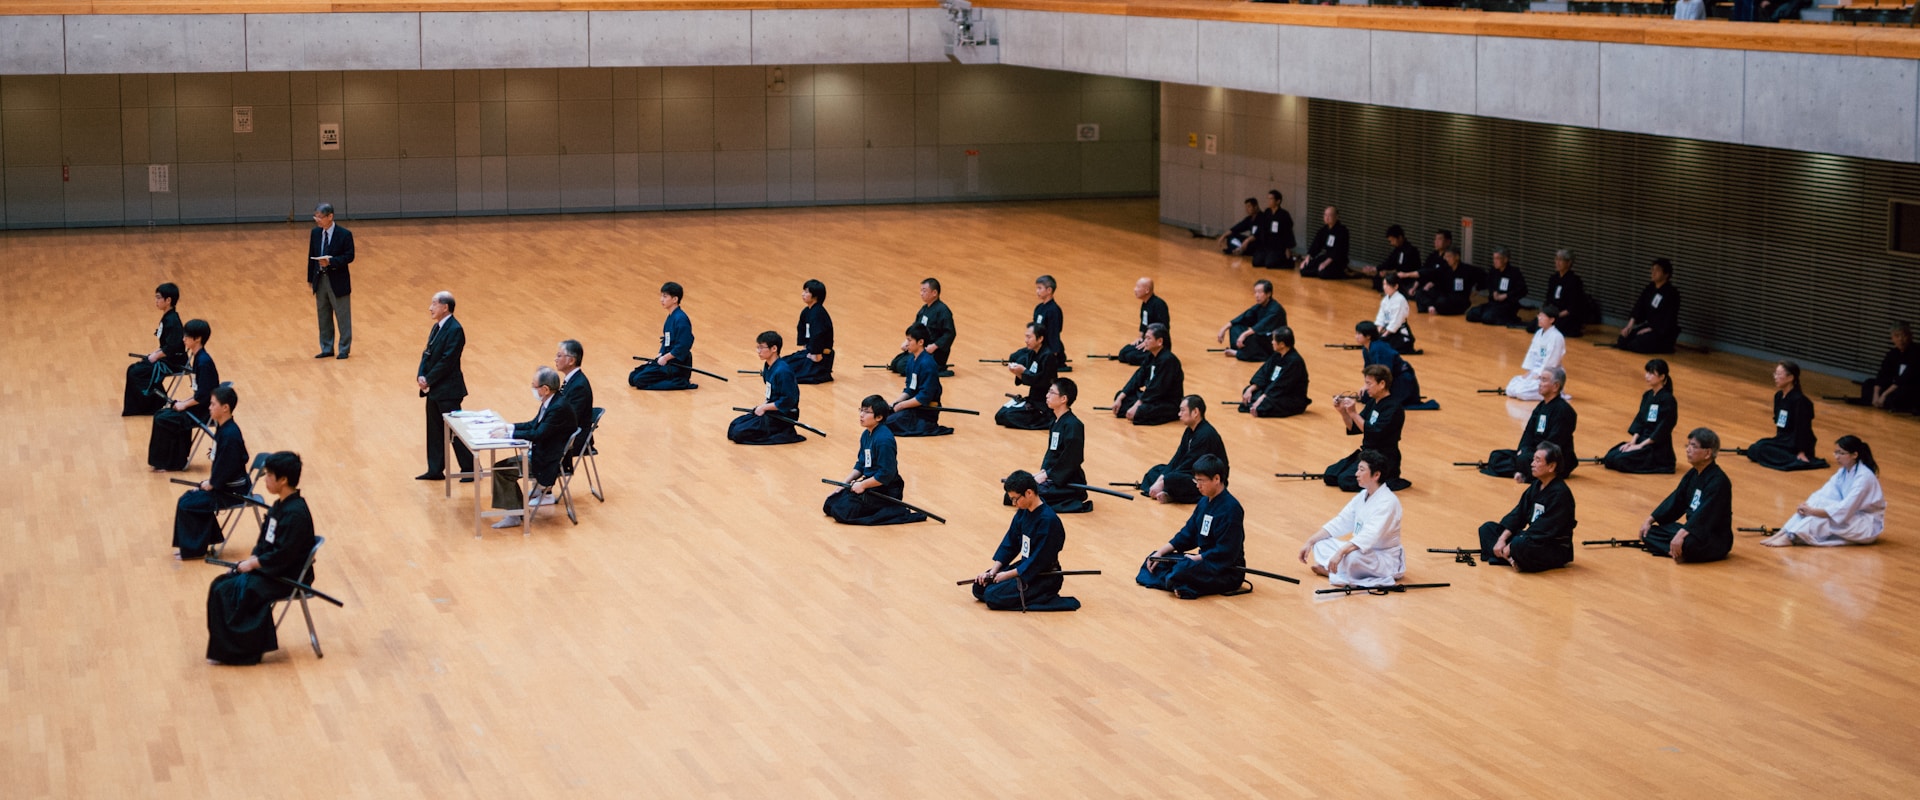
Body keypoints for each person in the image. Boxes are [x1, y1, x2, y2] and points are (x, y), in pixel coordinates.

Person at [205, 451, 317, 666]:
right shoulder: (279, 507)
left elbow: (283, 556)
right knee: (220, 585)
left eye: (269, 476)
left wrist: (254, 564)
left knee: (243, 590)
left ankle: (245, 651)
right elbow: (265, 543)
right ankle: (227, 648)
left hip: (288, 575)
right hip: (271, 569)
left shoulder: (296, 513)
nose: (265, 480)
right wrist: (249, 561)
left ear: (283, 480)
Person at [1135, 454, 1248, 598]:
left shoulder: (1231, 509)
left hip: (1224, 569)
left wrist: (1199, 558)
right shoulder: (1203, 503)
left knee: (1183, 568)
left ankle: (1179, 582)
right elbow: (1188, 533)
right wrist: (1161, 552)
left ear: (1217, 479)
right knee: (1154, 560)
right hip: (1202, 562)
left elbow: (1226, 551)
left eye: (1201, 481)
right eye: (1196, 480)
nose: (1197, 485)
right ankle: (1179, 584)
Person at [971, 471, 1080, 612]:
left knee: (992, 596)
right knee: (979, 587)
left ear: (1029, 493)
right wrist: (992, 572)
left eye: (1016, 499)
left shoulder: (1048, 521)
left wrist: (1006, 575)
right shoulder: (1023, 511)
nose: (1014, 503)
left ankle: (1044, 596)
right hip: (1024, 567)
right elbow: (1010, 543)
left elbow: (1037, 561)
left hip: (1042, 576)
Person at [1299, 450, 1404, 588]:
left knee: (1352, 557)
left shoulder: (1388, 502)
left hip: (1382, 559)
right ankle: (1339, 570)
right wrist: (1310, 541)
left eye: (1361, 470)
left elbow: (1369, 535)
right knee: (1320, 543)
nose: (1356, 474)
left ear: (1376, 475)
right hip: (1360, 551)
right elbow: (1341, 521)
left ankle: (1335, 571)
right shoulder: (1362, 495)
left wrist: (1341, 552)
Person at [491, 367, 580, 528]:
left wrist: (509, 436)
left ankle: (514, 515)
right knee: (502, 467)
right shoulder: (552, 401)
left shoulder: (558, 408)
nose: (532, 389)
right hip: (544, 452)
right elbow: (534, 424)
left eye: (534, 386)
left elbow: (538, 433)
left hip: (548, 461)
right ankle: (516, 512)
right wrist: (509, 427)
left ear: (545, 389)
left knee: (501, 470)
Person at [171, 384, 250, 559]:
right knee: (188, 498)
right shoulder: (224, 428)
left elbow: (228, 467)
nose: (209, 407)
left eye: (213, 404)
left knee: (188, 503)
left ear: (225, 408)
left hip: (232, 490)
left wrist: (212, 484)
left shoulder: (230, 435)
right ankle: (194, 545)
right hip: (223, 485)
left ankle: (194, 549)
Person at [1761, 436, 1885, 547]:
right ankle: (1784, 531)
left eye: (1841, 453)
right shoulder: (1843, 472)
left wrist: (1813, 511)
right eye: (1836, 452)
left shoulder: (1864, 477)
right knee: (1818, 504)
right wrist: (1807, 506)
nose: (1837, 457)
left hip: (1865, 524)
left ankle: (1791, 537)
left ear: (1854, 455)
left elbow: (1845, 509)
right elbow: (1824, 493)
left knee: (1821, 519)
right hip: (1851, 516)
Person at [823, 396, 928, 525]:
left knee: (842, 512)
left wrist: (862, 485)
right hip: (869, 485)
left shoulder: (884, 440)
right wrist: (843, 484)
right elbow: (861, 464)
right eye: (861, 410)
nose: (861, 415)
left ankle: (892, 510)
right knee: (830, 504)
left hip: (885, 489)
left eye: (866, 412)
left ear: (879, 417)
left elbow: (885, 474)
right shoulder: (866, 434)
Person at [1477, 442, 1576, 572]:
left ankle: (1513, 556)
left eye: (1537, 460)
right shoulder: (1536, 486)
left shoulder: (1561, 495)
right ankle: (1512, 559)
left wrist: (1512, 545)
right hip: (1531, 538)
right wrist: (1502, 539)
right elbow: (1519, 514)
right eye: (1533, 459)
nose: (1532, 463)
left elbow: (1543, 529)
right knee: (1487, 529)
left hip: (1552, 546)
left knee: (1520, 544)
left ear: (1551, 466)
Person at [1640, 428, 1733, 563]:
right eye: (1688, 445)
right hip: (1693, 530)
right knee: (1649, 532)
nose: (1688, 449)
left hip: (1713, 538)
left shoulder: (1719, 482)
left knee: (1688, 544)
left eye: (1693, 446)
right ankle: (1676, 551)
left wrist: (1683, 533)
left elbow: (1705, 515)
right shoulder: (1692, 474)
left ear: (1707, 453)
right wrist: (1650, 519)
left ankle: (1677, 550)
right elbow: (1677, 500)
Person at [1482, 367, 1577, 481]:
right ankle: (1523, 472)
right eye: (1540, 379)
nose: (1540, 384)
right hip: (1532, 453)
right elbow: (1528, 432)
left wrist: (1533, 455)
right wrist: (1523, 448)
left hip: (1552, 459)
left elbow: (1554, 443)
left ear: (1556, 386)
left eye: (1544, 380)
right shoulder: (1541, 406)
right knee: (1497, 456)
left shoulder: (1564, 411)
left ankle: (1524, 471)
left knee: (1525, 459)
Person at [148, 319, 219, 472]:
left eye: (187, 336)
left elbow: (204, 395)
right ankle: (167, 460)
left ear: (198, 338)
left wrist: (184, 404)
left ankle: (171, 462)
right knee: (163, 413)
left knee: (164, 418)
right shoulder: (199, 357)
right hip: (202, 405)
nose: (183, 339)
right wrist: (182, 402)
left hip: (206, 411)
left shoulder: (204, 362)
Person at [1326, 365, 1411, 492]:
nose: (1365, 388)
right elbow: (1356, 427)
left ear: (1382, 384)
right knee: (1330, 475)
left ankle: (1385, 478)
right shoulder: (1373, 402)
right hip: (1367, 453)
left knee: (1346, 481)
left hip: (1384, 457)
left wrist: (1354, 413)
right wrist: (1344, 412)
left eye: (1369, 384)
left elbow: (1374, 432)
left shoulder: (1393, 408)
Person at [417, 291, 473, 481]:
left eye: (434, 304)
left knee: (456, 431)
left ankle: (471, 468)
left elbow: (447, 360)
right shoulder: (437, 327)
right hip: (435, 388)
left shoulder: (455, 329)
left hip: (448, 390)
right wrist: (421, 375)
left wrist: (429, 379)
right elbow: (428, 352)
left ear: (445, 307)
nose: (430, 308)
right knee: (434, 431)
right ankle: (435, 469)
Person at [1138, 396, 1228, 504]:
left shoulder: (1206, 435)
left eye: (1182, 410)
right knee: (1157, 470)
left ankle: (1169, 493)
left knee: (1173, 479)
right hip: (1190, 471)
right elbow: (1178, 457)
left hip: (1207, 478)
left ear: (1195, 412)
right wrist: (1161, 478)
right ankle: (1168, 493)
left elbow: (1190, 464)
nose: (1179, 414)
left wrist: (1164, 481)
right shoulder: (1189, 430)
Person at [1744, 361, 1828, 472]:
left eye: (1779, 375)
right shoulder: (1779, 396)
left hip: (1796, 443)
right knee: (1756, 447)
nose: (1775, 377)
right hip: (1783, 440)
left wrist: (1801, 451)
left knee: (1760, 449)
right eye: (1775, 374)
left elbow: (1803, 429)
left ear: (1790, 378)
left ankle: (1797, 459)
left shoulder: (1800, 401)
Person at [1602, 359, 1679, 474]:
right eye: (1647, 372)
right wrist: (1633, 443)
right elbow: (1640, 420)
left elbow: (1663, 428)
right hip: (1641, 440)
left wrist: (1641, 446)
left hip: (1656, 446)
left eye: (1651, 373)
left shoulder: (1668, 400)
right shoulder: (1647, 395)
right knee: (1610, 457)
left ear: (1662, 377)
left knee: (1620, 460)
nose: (1647, 376)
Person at [728, 331, 805, 445]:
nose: (758, 351)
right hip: (771, 410)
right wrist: (762, 406)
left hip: (782, 415)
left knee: (739, 433)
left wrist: (765, 408)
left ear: (774, 348)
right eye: (757, 347)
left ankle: (784, 432)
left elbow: (788, 400)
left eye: (761, 348)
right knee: (734, 426)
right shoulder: (768, 366)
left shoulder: (783, 372)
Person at [124, 282, 189, 416]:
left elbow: (172, 347)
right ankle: (145, 405)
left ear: (168, 300)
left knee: (136, 373)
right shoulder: (167, 318)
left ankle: (153, 404)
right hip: (166, 358)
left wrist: (156, 356)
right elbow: (166, 345)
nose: (156, 301)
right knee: (133, 369)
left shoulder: (173, 321)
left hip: (173, 362)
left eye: (159, 298)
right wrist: (155, 353)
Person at [1030, 379, 1090, 513]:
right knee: (1020, 491)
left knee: (1029, 496)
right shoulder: (1055, 422)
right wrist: (1042, 472)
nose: (1047, 395)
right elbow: (1052, 454)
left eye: (1051, 392)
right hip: (1053, 477)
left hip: (1068, 481)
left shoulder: (1074, 425)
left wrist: (1048, 475)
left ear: (1063, 399)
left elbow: (1072, 458)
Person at [306, 202, 354, 359]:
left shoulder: (344, 234)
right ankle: (327, 347)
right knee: (323, 315)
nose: (317, 220)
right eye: (316, 217)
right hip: (321, 279)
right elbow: (311, 256)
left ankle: (343, 349)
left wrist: (331, 261)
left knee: (342, 316)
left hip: (337, 280)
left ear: (330, 216)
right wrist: (310, 278)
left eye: (320, 217)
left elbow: (349, 256)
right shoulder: (315, 233)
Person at [629, 282, 697, 390]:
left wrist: (665, 357)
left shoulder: (681, 319)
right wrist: (659, 355)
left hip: (676, 364)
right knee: (632, 377)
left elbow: (684, 345)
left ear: (675, 299)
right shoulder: (671, 317)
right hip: (666, 360)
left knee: (639, 380)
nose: (661, 300)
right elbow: (667, 340)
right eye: (661, 296)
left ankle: (680, 381)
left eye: (665, 296)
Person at [889, 324, 954, 437]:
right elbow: (910, 389)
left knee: (890, 422)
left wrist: (902, 406)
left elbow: (924, 397)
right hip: (913, 406)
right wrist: (896, 402)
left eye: (909, 340)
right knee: (885, 415)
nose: (907, 343)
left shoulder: (927, 364)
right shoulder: (911, 361)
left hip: (925, 411)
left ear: (920, 342)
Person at [1113, 323, 1184, 425]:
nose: (1145, 341)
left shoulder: (1168, 361)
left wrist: (1137, 405)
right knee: (1121, 398)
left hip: (1166, 402)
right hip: (1152, 398)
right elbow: (1137, 378)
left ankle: (1137, 412)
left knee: (1141, 411)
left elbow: (1157, 389)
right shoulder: (1151, 357)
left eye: (1148, 338)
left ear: (1159, 341)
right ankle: (1135, 411)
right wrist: (1120, 397)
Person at [994, 323, 1060, 430]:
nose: (1026, 340)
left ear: (1040, 339)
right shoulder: (1032, 352)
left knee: (1008, 416)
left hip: (1043, 405)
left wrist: (1023, 372)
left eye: (1029, 337)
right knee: (1000, 415)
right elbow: (1015, 357)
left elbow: (1042, 382)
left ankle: (1045, 420)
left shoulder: (1048, 356)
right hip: (1032, 400)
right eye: (1026, 336)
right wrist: (1018, 372)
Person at [1355, 321, 1433, 411]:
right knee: (1365, 397)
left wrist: (1374, 387)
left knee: (1383, 402)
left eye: (1359, 334)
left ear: (1368, 336)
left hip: (1401, 379)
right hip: (1388, 377)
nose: (1356, 336)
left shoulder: (1379, 348)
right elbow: (1368, 369)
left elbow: (1385, 372)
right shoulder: (1366, 349)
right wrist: (1366, 385)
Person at [1239, 327, 1311, 418]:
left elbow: (1280, 385)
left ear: (1282, 344)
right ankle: (1256, 404)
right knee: (1249, 391)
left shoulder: (1294, 362)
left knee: (1266, 404)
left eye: (1274, 340)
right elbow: (1263, 373)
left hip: (1288, 396)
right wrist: (1250, 389)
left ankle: (1257, 405)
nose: (1272, 342)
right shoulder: (1277, 355)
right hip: (1271, 391)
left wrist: (1261, 399)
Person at [889, 278, 956, 375]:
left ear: (934, 293)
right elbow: (916, 327)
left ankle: (937, 368)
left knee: (902, 367)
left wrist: (935, 346)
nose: (921, 293)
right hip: (921, 349)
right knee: (894, 364)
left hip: (934, 353)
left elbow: (950, 333)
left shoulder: (943, 311)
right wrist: (908, 341)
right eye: (921, 290)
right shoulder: (924, 309)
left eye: (924, 291)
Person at [1616, 258, 1681, 353]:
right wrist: (1629, 326)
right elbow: (1639, 307)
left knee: (1639, 343)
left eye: (1657, 270)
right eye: (1652, 270)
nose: (1653, 273)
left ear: (1666, 274)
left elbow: (1668, 318)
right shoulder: (1649, 289)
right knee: (1623, 339)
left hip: (1662, 331)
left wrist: (1651, 329)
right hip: (1649, 326)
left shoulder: (1672, 293)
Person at [1504, 305, 1566, 401]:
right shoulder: (1539, 333)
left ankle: (1554, 392)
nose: (1539, 318)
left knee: (1521, 393)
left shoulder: (1557, 337)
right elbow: (1532, 354)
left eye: (1543, 316)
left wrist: (1540, 374)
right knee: (1510, 389)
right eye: (1539, 315)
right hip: (1536, 371)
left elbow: (1552, 361)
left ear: (1551, 320)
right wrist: (1529, 371)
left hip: (1550, 374)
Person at [779, 279, 835, 384]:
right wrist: (805, 346)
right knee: (783, 364)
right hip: (810, 351)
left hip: (820, 355)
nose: (803, 294)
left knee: (788, 374)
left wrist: (816, 353)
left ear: (815, 296)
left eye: (806, 292)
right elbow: (801, 329)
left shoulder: (818, 313)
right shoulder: (807, 311)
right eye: (803, 291)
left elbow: (818, 334)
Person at [1217, 280, 1287, 362]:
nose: (1256, 295)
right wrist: (1224, 328)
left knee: (1253, 336)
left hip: (1272, 342)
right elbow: (1243, 317)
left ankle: (1239, 353)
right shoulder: (1259, 306)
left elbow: (1261, 326)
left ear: (1268, 294)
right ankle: (1242, 349)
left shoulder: (1275, 310)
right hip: (1260, 337)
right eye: (1255, 292)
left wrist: (1244, 335)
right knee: (1236, 326)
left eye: (1260, 292)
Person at [1853, 322, 1915, 412]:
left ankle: (1886, 402)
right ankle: (1878, 401)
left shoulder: (1916, 353)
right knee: (1869, 383)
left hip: (1908, 386)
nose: (1901, 339)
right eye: (1897, 336)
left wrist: (1884, 394)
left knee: (1900, 394)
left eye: (1904, 336)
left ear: (1910, 336)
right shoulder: (1892, 354)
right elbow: (1883, 374)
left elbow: (1904, 378)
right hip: (1893, 386)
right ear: (1892, 338)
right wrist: (1876, 393)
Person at [553, 339, 594, 472]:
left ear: (571, 360)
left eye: (559, 356)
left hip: (575, 439)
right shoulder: (571, 381)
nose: (555, 359)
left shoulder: (579, 386)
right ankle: (542, 488)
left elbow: (570, 419)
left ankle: (544, 488)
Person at [1534, 250, 1594, 338]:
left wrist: (1558, 315)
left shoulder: (1574, 281)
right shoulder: (1554, 278)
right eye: (1556, 259)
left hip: (1566, 315)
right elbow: (1548, 299)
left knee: (1551, 328)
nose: (1557, 263)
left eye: (1560, 260)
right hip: (1553, 312)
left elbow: (1573, 306)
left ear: (1569, 263)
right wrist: (1544, 312)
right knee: (1535, 326)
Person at [1466, 247, 1527, 326]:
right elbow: (1489, 284)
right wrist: (1493, 292)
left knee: (1487, 318)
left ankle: (1509, 318)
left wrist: (1506, 295)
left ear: (1505, 259)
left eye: (1497, 258)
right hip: (1493, 303)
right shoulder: (1493, 271)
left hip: (1508, 305)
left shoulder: (1514, 272)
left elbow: (1523, 290)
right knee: (1471, 314)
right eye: (1494, 258)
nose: (1495, 261)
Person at [1413, 247, 1481, 316]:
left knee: (1442, 301)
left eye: (1449, 256)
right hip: (1444, 295)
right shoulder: (1445, 268)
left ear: (1457, 257)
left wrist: (1477, 290)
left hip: (1459, 300)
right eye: (1445, 257)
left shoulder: (1467, 270)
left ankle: (1434, 307)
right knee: (1420, 293)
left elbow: (1483, 276)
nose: (1447, 259)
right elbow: (1432, 273)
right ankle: (1431, 307)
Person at [1118, 277, 1171, 366]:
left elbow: (1163, 329)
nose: (1135, 289)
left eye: (1138, 287)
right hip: (1147, 339)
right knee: (1123, 354)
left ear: (1147, 290)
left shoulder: (1159, 305)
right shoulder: (1145, 303)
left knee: (1131, 357)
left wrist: (1149, 342)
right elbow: (1144, 323)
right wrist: (1140, 338)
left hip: (1157, 344)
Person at [1360, 224, 1422, 295]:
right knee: (1378, 278)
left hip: (1408, 278)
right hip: (1398, 275)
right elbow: (1389, 262)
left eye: (1393, 240)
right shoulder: (1397, 250)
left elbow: (1405, 269)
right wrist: (1376, 269)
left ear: (1400, 238)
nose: (1391, 243)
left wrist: (1389, 272)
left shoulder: (1410, 251)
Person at [1297, 206, 1350, 279]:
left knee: (1323, 273)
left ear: (1337, 217)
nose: (1327, 217)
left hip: (1337, 260)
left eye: (1329, 215)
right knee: (1303, 270)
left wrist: (1325, 263)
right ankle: (1319, 270)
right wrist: (1307, 258)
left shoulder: (1342, 231)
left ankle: (1341, 271)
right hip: (1326, 256)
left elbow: (1338, 251)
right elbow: (1316, 245)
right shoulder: (1323, 230)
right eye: (1325, 215)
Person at [1250, 190, 1296, 269]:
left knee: (1270, 264)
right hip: (1267, 244)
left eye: (1271, 199)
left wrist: (1287, 248)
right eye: (1268, 199)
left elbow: (1288, 232)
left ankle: (1288, 261)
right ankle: (1270, 257)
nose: (1269, 201)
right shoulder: (1267, 212)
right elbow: (1262, 228)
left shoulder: (1284, 214)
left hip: (1278, 246)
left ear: (1278, 201)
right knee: (1256, 262)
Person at [1030, 275, 1067, 370]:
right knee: (1017, 356)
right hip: (1039, 347)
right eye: (1037, 288)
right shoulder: (1039, 308)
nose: (1037, 291)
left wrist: (1053, 356)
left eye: (1039, 288)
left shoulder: (1053, 310)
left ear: (1049, 290)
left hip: (1049, 349)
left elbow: (1054, 333)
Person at [1374, 273, 1417, 355]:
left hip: (1399, 334)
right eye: (1384, 284)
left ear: (1396, 286)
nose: (1384, 287)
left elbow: (1396, 322)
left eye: (1387, 285)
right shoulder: (1385, 300)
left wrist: (1384, 336)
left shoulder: (1400, 300)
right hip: (1389, 331)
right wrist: (1377, 334)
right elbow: (1381, 318)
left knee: (1384, 348)